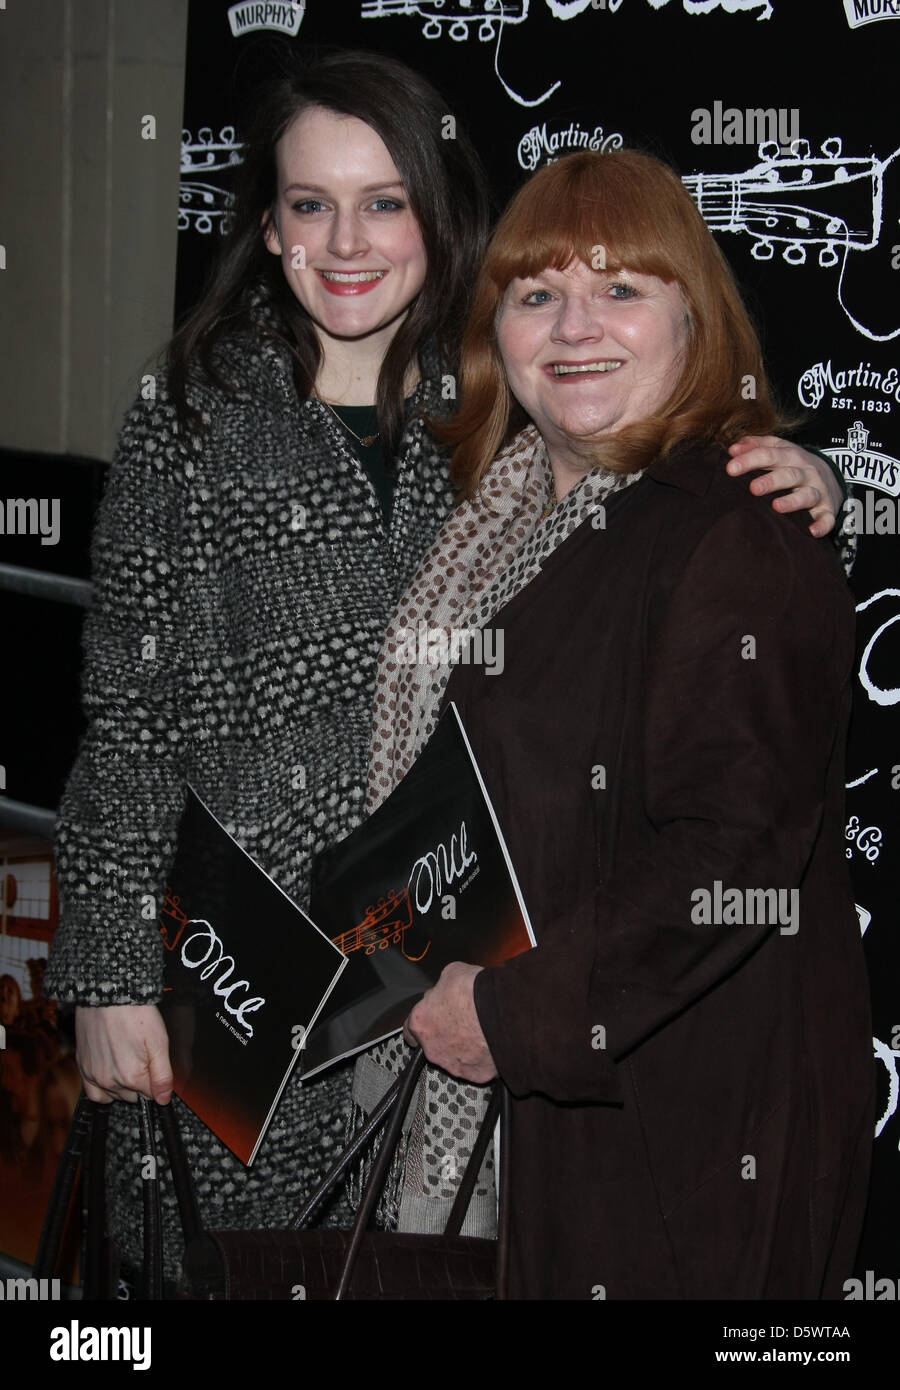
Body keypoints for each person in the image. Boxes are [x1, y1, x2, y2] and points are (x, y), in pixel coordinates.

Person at [43, 45, 844, 1288]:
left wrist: (802, 467)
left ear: (437, 218)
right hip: (234, 995)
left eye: (385, 202)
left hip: (429, 987)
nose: (347, 239)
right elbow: (125, 719)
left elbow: (650, 467)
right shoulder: (192, 418)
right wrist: (103, 971)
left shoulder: (487, 415)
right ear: (266, 226)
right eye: (310, 203)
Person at [355, 149, 874, 1299]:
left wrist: (511, 1013)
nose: (574, 323)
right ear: (499, 330)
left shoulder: (736, 525)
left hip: (677, 1148)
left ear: (695, 317)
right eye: (537, 293)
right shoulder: (489, 519)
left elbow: (731, 848)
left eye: (621, 288)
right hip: (517, 1124)